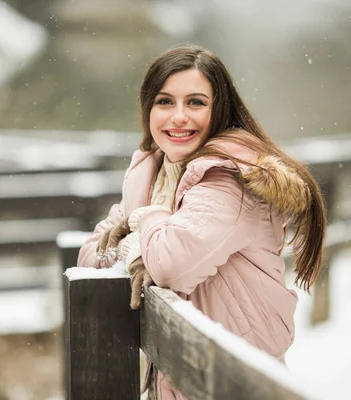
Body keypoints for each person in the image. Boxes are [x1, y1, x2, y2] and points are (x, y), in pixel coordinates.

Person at [77, 45, 326, 400]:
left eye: (196, 102)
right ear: (148, 108)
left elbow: (169, 266)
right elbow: (91, 255)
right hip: (179, 376)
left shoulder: (229, 180)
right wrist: (136, 247)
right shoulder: (152, 172)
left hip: (233, 382)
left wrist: (145, 220)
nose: (179, 117)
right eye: (165, 102)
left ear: (219, 109)